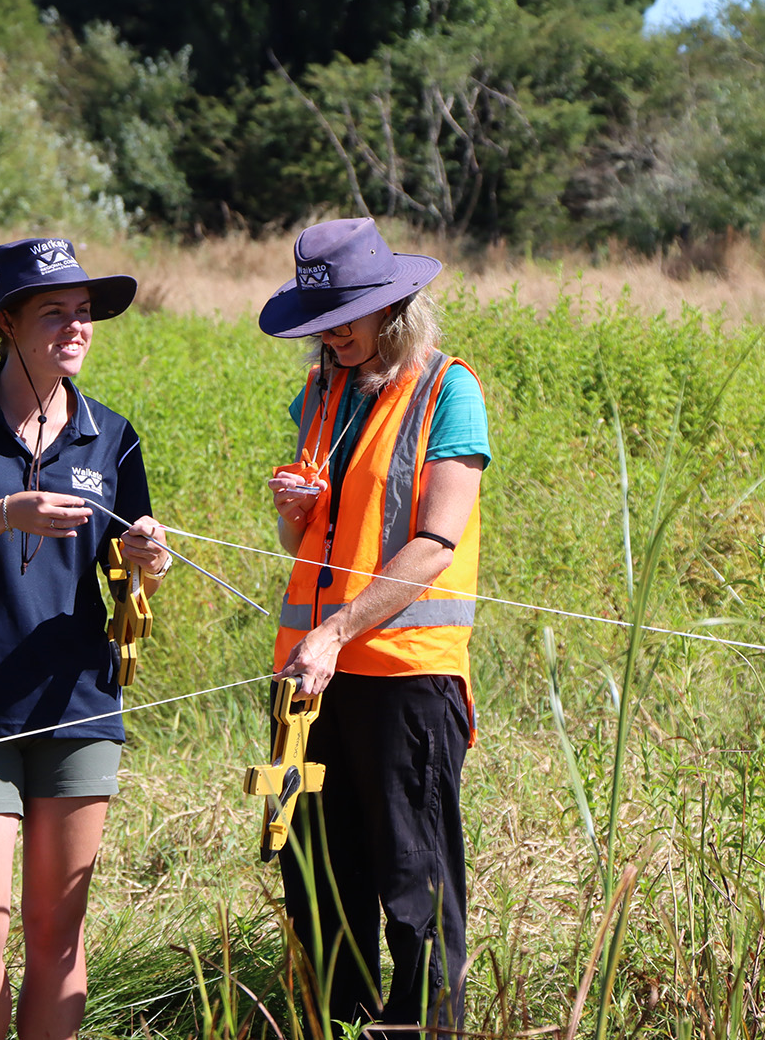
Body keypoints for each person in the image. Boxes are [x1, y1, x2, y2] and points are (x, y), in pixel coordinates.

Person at [0, 238, 172, 1040]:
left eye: (84, 313)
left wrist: (146, 561)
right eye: (55, 312)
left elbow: (125, 574)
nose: (76, 327)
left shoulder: (112, 436)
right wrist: (5, 512)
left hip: (78, 704)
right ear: (7, 322)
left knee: (56, 939)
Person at [259, 218, 489, 1034]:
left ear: (395, 304)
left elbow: (432, 546)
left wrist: (337, 630)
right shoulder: (319, 393)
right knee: (320, 881)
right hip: (312, 680)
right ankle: (336, 1021)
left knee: (412, 881)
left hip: (404, 676)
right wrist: (297, 515)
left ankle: (424, 1026)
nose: (334, 335)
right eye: (323, 321)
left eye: (349, 314)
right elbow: (309, 543)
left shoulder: (447, 390)